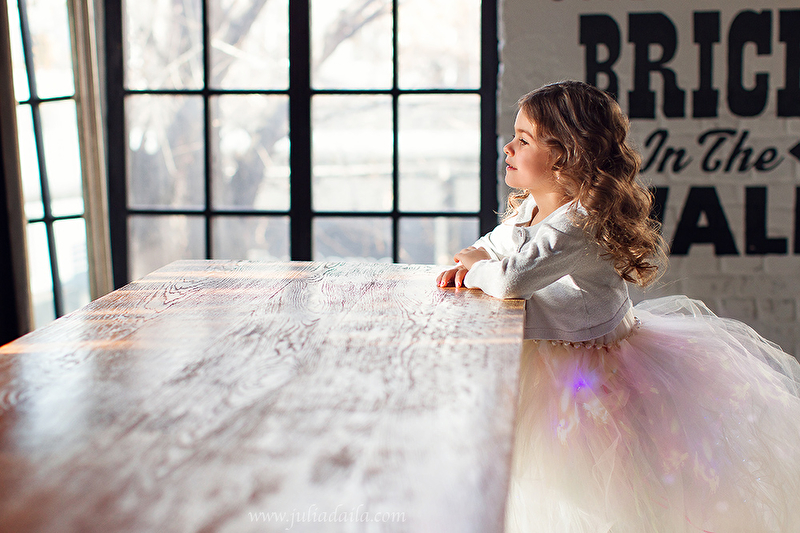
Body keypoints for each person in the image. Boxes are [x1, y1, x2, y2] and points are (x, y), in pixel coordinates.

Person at [437, 80, 800, 532]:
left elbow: (512, 279)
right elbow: (496, 244)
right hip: (551, 357)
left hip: (591, 373)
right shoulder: (532, 205)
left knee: (608, 494)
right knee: (542, 486)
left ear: (566, 155)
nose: (508, 147)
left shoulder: (579, 221)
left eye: (524, 140)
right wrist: (476, 259)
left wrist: (476, 268)